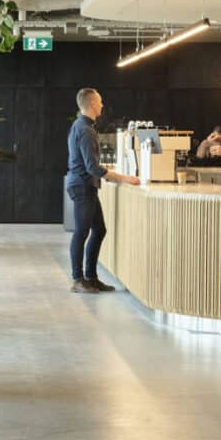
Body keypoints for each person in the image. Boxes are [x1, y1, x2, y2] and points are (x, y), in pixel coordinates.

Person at [64, 88, 139, 294]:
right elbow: (93, 168)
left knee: (99, 230)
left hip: (85, 184)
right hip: (82, 185)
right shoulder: (85, 130)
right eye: (100, 102)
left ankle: (91, 277)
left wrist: (110, 173)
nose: (103, 105)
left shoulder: (82, 126)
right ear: (92, 104)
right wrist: (123, 178)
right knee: (82, 232)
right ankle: (78, 279)